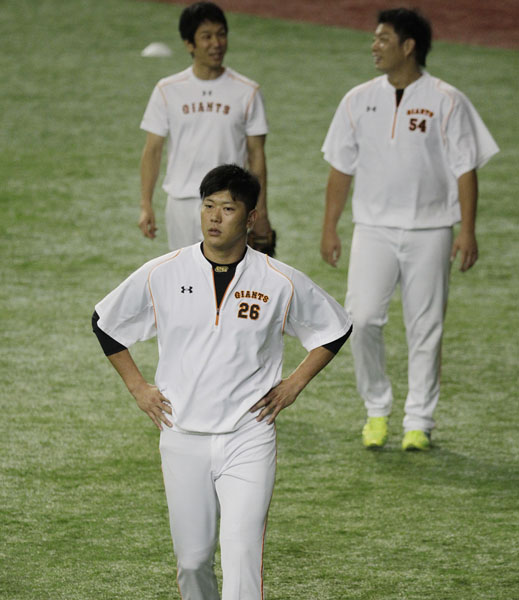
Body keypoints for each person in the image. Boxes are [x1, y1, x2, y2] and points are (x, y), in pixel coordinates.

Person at [93, 164, 352, 599]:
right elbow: (106, 323)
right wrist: (138, 387)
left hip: (248, 437)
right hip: (182, 434)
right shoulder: (164, 272)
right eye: (208, 206)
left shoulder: (279, 280)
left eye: (228, 208)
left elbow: (336, 327)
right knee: (193, 562)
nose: (214, 217)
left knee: (241, 554)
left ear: (251, 218)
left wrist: (293, 384)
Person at [320, 8, 499, 451]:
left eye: (383, 39)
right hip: (373, 229)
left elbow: (465, 169)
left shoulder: (447, 100)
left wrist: (467, 230)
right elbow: (340, 169)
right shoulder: (357, 100)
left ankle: (419, 420)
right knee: (361, 318)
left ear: (408, 46)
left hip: (431, 229)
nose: (374, 47)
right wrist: (330, 227)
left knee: (426, 328)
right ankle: (376, 409)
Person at [139, 1, 272, 251]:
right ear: (189, 44)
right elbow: (152, 150)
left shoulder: (248, 91)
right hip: (181, 202)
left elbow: (257, 156)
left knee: (229, 273)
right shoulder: (167, 90)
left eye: (221, 34)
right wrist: (146, 204)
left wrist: (261, 211)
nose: (216, 43)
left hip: (230, 203)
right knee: (184, 273)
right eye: (206, 36)